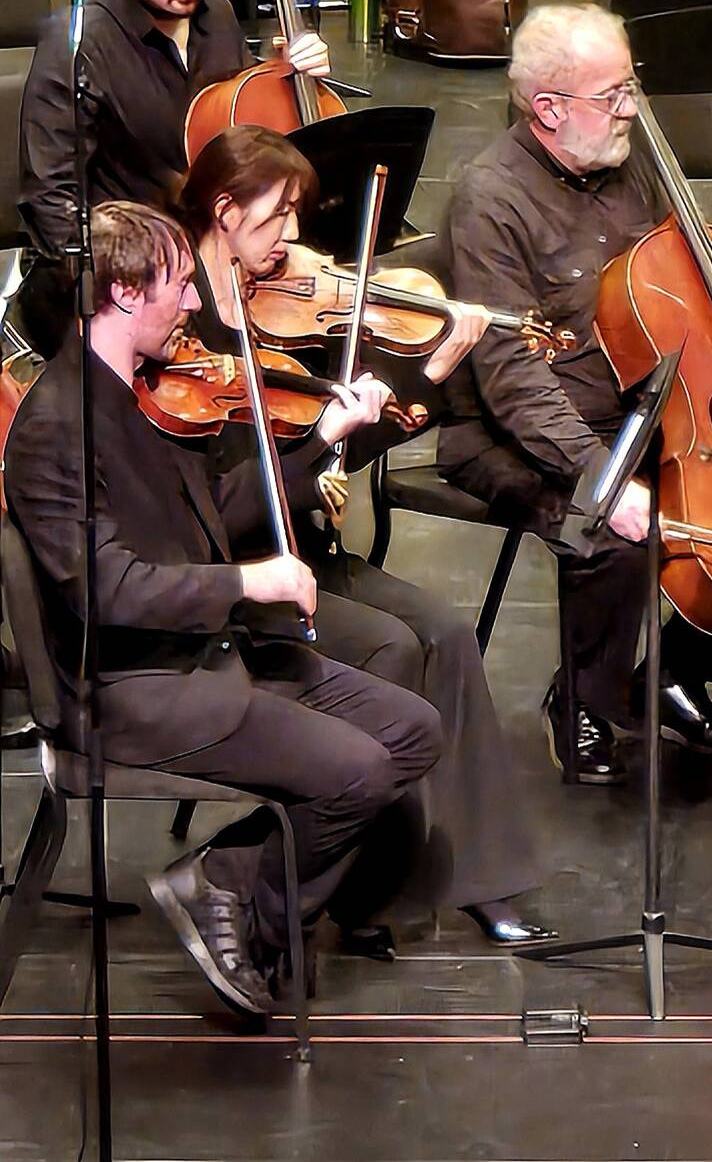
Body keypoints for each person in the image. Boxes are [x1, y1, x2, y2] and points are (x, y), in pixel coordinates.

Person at [4, 201, 441, 1017]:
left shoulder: (141, 392)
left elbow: (214, 516)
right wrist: (246, 583)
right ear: (126, 292)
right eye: (180, 286)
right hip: (130, 686)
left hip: (203, 651)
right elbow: (104, 590)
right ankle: (243, 898)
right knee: (359, 771)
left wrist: (317, 448)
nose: (199, 302)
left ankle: (229, 881)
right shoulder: (58, 427)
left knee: (412, 727)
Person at [169, 125, 554, 950]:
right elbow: (232, 496)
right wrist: (318, 451)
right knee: (390, 649)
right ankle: (367, 886)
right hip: (235, 569)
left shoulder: (271, 305)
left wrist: (429, 375)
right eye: (277, 220)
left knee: (446, 632)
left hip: (301, 547)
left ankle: (478, 876)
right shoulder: (186, 327)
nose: (294, 242)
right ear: (224, 211)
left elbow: (332, 445)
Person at [437, 3, 712, 784]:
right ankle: (581, 696)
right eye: (612, 96)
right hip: (514, 432)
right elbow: (511, 377)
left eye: (630, 87)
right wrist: (600, 476)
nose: (630, 110)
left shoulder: (632, 161)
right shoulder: (489, 199)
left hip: (641, 409)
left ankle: (670, 669)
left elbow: (684, 281)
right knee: (610, 531)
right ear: (548, 109)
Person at [17, 0, 331, 356]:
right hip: (138, 273)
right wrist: (129, 293)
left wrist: (290, 78)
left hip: (218, 250)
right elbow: (50, 200)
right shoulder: (77, 43)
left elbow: (242, 144)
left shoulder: (218, 15)